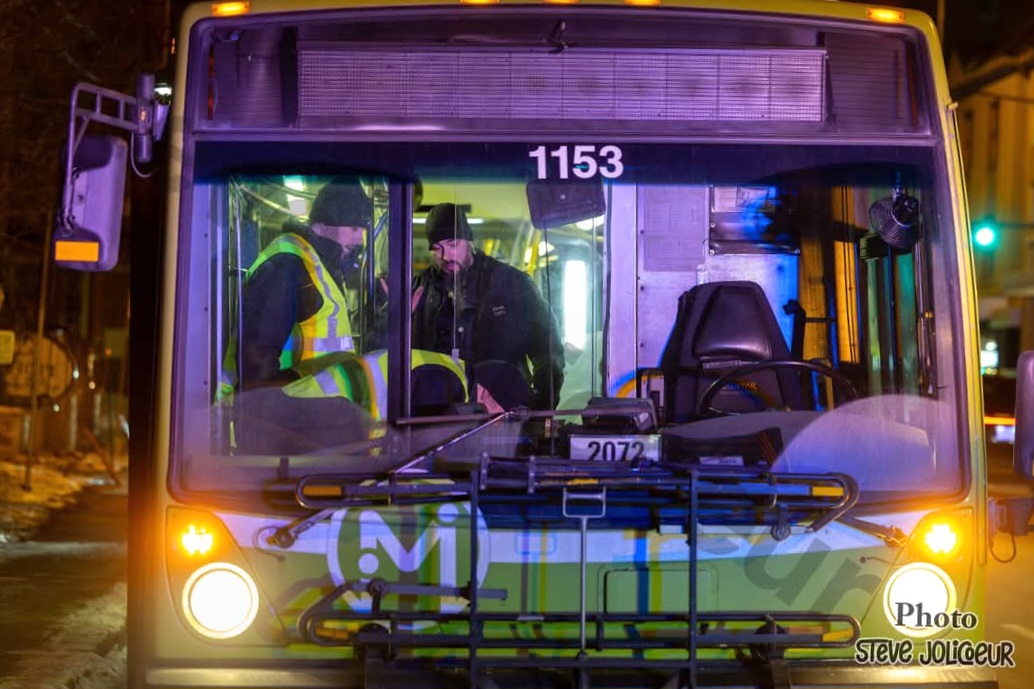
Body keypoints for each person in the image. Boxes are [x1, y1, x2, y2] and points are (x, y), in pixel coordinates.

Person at [411, 203, 565, 410]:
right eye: (437, 249)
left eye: (453, 244)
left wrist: (542, 406)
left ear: (470, 243)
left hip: (502, 410)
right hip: (437, 413)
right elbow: (385, 347)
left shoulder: (511, 284)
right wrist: (396, 319)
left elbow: (547, 350)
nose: (445, 256)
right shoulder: (420, 289)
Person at [234, 179, 373, 391]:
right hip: (287, 417)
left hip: (314, 414)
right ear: (327, 222)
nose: (360, 239)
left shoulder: (317, 265)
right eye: (355, 227)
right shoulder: (288, 265)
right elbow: (256, 371)